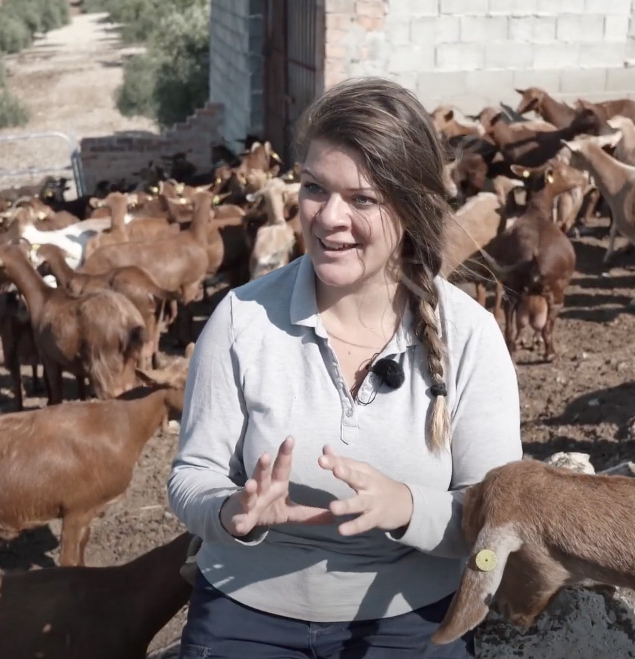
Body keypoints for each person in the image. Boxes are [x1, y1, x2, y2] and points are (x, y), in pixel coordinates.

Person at [166, 76, 523, 659]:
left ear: (411, 208)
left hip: (409, 623)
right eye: (314, 188)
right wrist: (235, 512)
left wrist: (407, 508)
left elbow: (498, 512)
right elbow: (192, 476)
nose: (328, 218)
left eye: (362, 199)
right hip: (243, 615)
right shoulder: (241, 318)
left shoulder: (470, 337)